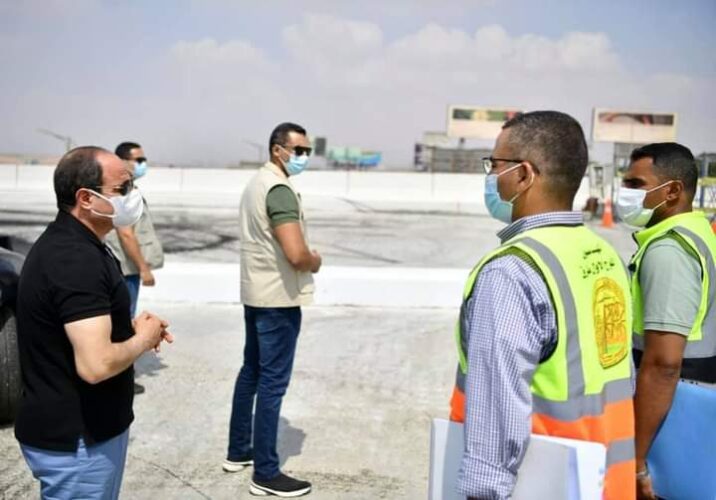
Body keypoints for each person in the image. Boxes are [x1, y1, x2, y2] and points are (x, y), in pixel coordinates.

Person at [450, 111, 635, 499]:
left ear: (523, 175)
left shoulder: (512, 272)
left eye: (494, 164)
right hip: (606, 484)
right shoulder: (603, 255)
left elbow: (497, 410)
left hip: (545, 486)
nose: (490, 176)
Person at [14, 146, 173, 499]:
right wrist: (143, 339)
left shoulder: (80, 244)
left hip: (84, 435)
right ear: (86, 198)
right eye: (123, 189)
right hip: (78, 442)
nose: (133, 196)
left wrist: (129, 330)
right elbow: (96, 365)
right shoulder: (75, 260)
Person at [224, 122, 320, 497]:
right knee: (272, 384)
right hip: (278, 300)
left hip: (256, 293)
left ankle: (238, 451)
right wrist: (315, 260)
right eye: (299, 151)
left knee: (251, 371)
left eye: (308, 151)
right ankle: (265, 473)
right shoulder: (278, 189)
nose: (304, 157)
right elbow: (296, 255)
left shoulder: (256, 183)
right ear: (278, 150)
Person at [616, 143, 716, 499]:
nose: (624, 193)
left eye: (635, 184)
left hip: (670, 420)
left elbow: (663, 364)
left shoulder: (668, 250)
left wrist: (635, 461)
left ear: (672, 190)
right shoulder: (699, 233)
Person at [105, 141, 164, 395]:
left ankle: (118, 377)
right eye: (138, 160)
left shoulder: (128, 189)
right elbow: (126, 234)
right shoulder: (122, 192)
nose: (142, 164)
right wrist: (143, 268)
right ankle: (118, 380)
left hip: (127, 268)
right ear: (122, 162)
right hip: (126, 269)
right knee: (123, 323)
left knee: (122, 321)